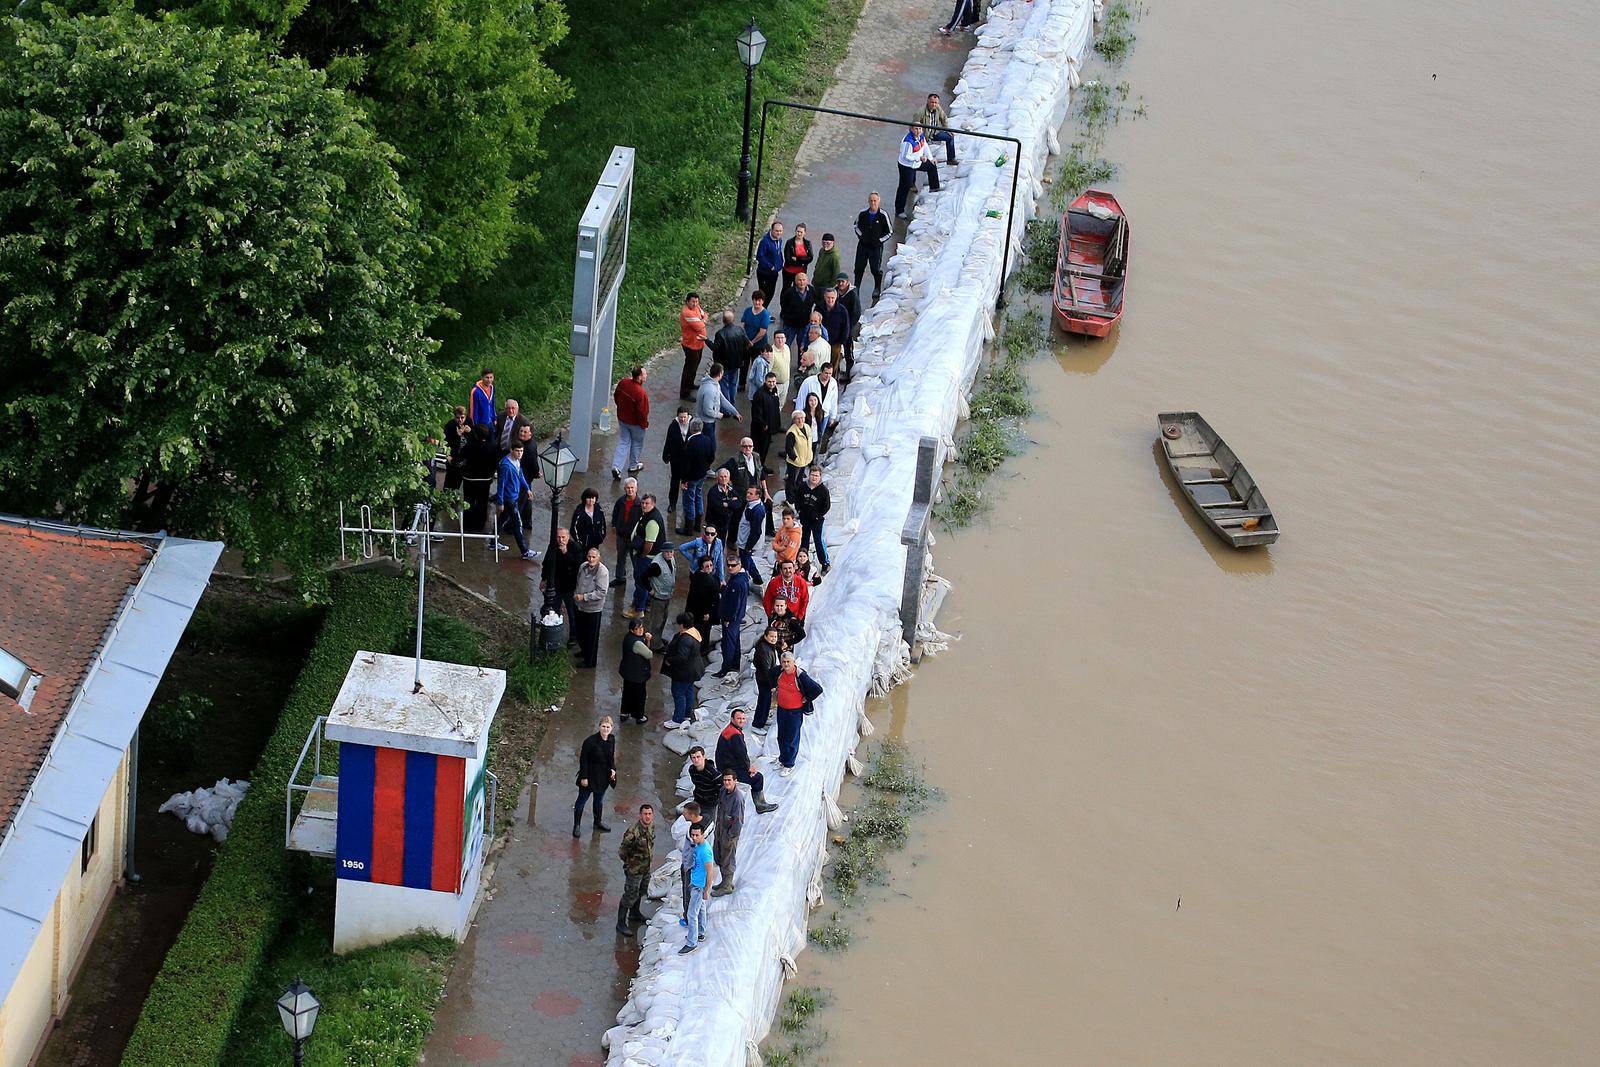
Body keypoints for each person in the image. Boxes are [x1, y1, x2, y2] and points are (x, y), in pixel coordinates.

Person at [716, 708, 778, 813]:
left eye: (743, 718)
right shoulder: (735, 734)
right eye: (738, 718)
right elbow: (741, 755)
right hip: (729, 768)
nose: (741, 721)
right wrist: (749, 769)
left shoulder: (730, 729)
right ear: (732, 719)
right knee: (757, 778)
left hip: (724, 765)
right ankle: (761, 805)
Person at [774, 653, 824, 777]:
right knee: (781, 736)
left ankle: (789, 764)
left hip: (794, 712)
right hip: (782, 710)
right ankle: (782, 759)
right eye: (784, 661)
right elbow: (769, 676)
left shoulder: (800, 675)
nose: (786, 664)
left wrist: (806, 698)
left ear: (794, 662)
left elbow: (817, 689)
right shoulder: (780, 672)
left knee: (792, 737)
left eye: (788, 662)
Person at [616, 803, 656, 936]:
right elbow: (622, 851)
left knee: (642, 890)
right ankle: (621, 923)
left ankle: (634, 913)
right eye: (645, 814)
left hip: (645, 868)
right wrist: (630, 864)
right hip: (634, 870)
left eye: (649, 814)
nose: (647, 817)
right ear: (640, 815)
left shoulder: (650, 827)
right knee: (630, 895)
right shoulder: (633, 832)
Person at [573, 716, 617, 836]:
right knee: (581, 801)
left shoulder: (612, 739)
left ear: (612, 728)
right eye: (603, 726)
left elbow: (611, 757)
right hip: (589, 776)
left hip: (603, 778)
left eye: (608, 727)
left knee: (599, 801)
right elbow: (583, 760)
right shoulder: (590, 742)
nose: (605, 729)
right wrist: (583, 777)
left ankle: (597, 822)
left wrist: (613, 769)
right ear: (599, 727)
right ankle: (576, 825)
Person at [662, 612, 707, 729]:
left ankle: (678, 719)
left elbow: (682, 657)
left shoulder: (685, 639)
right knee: (688, 691)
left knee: (679, 693)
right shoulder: (695, 633)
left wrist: (669, 660)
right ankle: (687, 714)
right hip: (693, 669)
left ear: (682, 625)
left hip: (684, 672)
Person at [496, 444, 538, 560]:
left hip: (514, 496)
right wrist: (500, 502)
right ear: (511, 450)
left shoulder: (517, 461)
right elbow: (501, 485)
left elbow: (521, 475)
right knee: (517, 524)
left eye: (521, 451)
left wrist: (527, 488)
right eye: (517, 451)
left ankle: (492, 542)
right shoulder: (506, 466)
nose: (520, 453)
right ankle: (524, 550)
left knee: (502, 519)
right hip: (509, 499)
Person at [626, 494, 666, 616]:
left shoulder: (652, 521)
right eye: (643, 503)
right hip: (648, 556)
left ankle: (638, 610)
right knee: (646, 582)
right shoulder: (648, 515)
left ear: (653, 504)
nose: (644, 505)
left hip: (647, 557)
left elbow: (649, 544)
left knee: (641, 582)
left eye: (647, 503)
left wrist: (642, 555)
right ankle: (646, 604)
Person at [680, 823, 715, 954]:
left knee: (691, 914)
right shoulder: (698, 846)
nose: (694, 838)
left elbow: (710, 871)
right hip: (695, 883)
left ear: (703, 835)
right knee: (700, 908)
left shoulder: (705, 850)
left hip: (699, 887)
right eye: (693, 835)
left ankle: (692, 942)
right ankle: (701, 932)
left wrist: (706, 890)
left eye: (697, 835)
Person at [676, 418, 715, 534]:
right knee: (698, 497)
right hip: (702, 474)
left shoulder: (690, 443)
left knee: (689, 501)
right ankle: (698, 525)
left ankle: (688, 528)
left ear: (691, 428)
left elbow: (686, 464)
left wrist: (684, 480)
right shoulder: (707, 440)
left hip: (691, 477)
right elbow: (711, 457)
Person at [715, 555, 751, 678]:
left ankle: (725, 668)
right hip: (735, 618)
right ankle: (735, 664)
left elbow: (735, 604)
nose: (730, 568)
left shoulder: (737, 582)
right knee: (735, 642)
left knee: (728, 644)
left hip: (731, 619)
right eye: (728, 565)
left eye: (733, 565)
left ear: (739, 565)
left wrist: (728, 619)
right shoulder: (740, 578)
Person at [572, 548, 609, 668]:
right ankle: (584, 651)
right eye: (589, 557)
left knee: (591, 636)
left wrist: (585, 597)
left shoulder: (602, 572)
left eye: (594, 557)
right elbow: (578, 582)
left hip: (594, 609)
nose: (591, 559)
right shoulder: (583, 566)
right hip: (581, 606)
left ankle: (590, 661)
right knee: (581, 632)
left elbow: (601, 592)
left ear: (598, 558)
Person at [794, 465, 832, 580]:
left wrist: (818, 515)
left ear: (820, 477)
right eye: (812, 475)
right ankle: (802, 563)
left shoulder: (823, 490)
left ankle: (825, 563)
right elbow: (797, 499)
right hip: (804, 519)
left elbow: (827, 506)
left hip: (817, 521)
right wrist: (799, 510)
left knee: (818, 541)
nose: (814, 478)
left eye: (816, 476)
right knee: (803, 541)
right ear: (809, 475)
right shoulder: (803, 487)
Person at [895, 123, 941, 219]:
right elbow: (906, 156)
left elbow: (925, 146)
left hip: (918, 162)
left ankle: (934, 189)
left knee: (931, 166)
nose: (919, 131)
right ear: (911, 129)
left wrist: (930, 158)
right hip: (907, 166)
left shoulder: (921, 136)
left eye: (920, 128)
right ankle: (899, 210)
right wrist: (919, 158)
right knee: (904, 187)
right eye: (916, 129)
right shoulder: (908, 142)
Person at [612, 365, 650, 480]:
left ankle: (616, 466)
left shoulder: (623, 383)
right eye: (644, 374)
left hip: (622, 419)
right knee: (637, 443)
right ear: (639, 377)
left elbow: (616, 396)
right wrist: (644, 424)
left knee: (623, 442)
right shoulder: (641, 393)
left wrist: (621, 408)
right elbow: (642, 413)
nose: (646, 375)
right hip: (636, 424)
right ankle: (633, 465)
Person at [711, 769, 744, 897]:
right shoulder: (723, 792)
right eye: (725, 780)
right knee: (719, 854)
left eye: (729, 780)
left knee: (728, 858)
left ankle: (727, 886)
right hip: (720, 828)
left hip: (730, 833)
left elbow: (738, 820)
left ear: (735, 781)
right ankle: (724, 882)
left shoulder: (738, 798)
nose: (727, 782)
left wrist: (731, 836)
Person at [854, 192, 893, 297]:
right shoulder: (863, 214)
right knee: (859, 267)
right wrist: (861, 236)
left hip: (876, 248)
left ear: (879, 201)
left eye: (875, 200)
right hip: (863, 246)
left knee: (875, 268)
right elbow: (856, 226)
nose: (873, 203)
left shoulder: (883, 215)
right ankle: (856, 288)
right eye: (871, 200)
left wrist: (879, 241)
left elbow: (890, 231)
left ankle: (877, 287)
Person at [462, 424, 499, 533]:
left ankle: (468, 525)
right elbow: (495, 464)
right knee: (482, 502)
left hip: (469, 479)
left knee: (468, 501)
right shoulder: (492, 447)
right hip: (485, 479)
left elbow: (461, 458)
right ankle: (480, 525)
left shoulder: (469, 446)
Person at [541, 527, 583, 620]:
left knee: (572, 614)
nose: (561, 540)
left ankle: (573, 634)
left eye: (563, 537)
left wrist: (565, 553)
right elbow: (547, 563)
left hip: (570, 586)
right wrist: (544, 578)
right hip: (555, 584)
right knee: (553, 610)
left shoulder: (575, 547)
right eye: (558, 537)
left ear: (568, 537)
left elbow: (577, 566)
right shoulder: (553, 546)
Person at [676, 802, 709, 923]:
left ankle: (688, 918)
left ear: (691, 815)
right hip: (702, 865)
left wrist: (686, 866)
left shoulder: (692, 832)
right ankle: (700, 921)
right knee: (698, 895)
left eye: (684, 813)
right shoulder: (708, 819)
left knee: (688, 892)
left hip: (691, 867)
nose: (682, 815)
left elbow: (691, 852)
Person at [618, 616, 654, 724]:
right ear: (632, 630)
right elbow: (649, 654)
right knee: (639, 695)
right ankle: (638, 715)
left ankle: (624, 713)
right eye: (638, 628)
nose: (641, 630)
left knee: (627, 692)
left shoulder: (628, 637)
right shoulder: (637, 643)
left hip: (627, 672)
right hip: (638, 674)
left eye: (642, 628)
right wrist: (648, 640)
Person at [709, 311, 749, 406]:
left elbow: (715, 348)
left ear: (723, 321)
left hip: (724, 365)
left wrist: (706, 340)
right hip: (736, 363)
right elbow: (747, 343)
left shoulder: (720, 334)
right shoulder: (740, 330)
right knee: (733, 384)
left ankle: (726, 407)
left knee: (724, 386)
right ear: (733, 320)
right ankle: (732, 403)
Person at [640, 544, 678, 640]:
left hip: (667, 595)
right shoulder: (656, 565)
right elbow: (643, 577)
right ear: (662, 552)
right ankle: (654, 644)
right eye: (667, 552)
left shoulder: (671, 559)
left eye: (671, 552)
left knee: (663, 619)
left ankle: (658, 639)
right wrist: (650, 590)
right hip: (658, 597)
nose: (669, 554)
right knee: (656, 622)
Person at [738, 292, 773, 397]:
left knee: (757, 365)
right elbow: (743, 325)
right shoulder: (748, 311)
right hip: (746, 343)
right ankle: (742, 383)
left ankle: (756, 386)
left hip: (758, 345)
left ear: (763, 301)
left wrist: (752, 342)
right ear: (752, 300)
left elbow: (762, 332)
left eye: (760, 300)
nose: (757, 302)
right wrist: (745, 339)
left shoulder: (765, 314)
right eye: (755, 300)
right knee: (744, 363)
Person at [686, 555, 721, 657]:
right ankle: (701, 649)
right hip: (702, 612)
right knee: (703, 631)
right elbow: (703, 598)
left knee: (702, 630)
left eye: (711, 565)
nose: (710, 567)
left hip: (697, 610)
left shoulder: (697, 575)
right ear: (702, 567)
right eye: (707, 566)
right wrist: (706, 612)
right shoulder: (704, 579)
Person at [661, 407, 693, 514]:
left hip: (689, 461)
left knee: (688, 483)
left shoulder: (693, 425)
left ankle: (687, 505)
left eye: (685, 417)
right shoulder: (673, 426)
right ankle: (672, 503)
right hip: (676, 460)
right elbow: (668, 441)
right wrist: (666, 455)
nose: (683, 419)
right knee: (674, 482)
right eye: (681, 417)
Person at [611, 477, 642, 589]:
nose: (630, 490)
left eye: (632, 488)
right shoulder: (620, 501)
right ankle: (620, 578)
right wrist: (614, 525)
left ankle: (639, 582)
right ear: (624, 488)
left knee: (636, 561)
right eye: (628, 488)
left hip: (634, 538)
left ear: (636, 488)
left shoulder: (640, 504)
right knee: (620, 558)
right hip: (621, 536)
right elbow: (615, 514)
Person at [751, 626, 783, 734]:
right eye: (771, 636)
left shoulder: (768, 646)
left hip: (765, 678)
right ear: (765, 636)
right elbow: (766, 669)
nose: (774, 638)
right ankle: (757, 724)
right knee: (763, 702)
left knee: (766, 700)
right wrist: (773, 684)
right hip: (764, 680)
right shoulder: (764, 649)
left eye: (775, 636)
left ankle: (762, 720)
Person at [734, 484, 766, 585]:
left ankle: (744, 585)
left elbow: (756, 532)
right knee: (747, 559)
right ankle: (757, 579)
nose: (747, 495)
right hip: (744, 540)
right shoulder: (751, 504)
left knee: (745, 565)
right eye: (747, 492)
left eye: (751, 494)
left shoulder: (757, 511)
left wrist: (748, 546)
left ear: (757, 496)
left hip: (747, 542)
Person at [795, 363, 840, 438]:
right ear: (821, 371)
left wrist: (832, 416)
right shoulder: (809, 382)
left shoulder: (833, 383)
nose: (828, 376)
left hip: (824, 414)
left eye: (830, 374)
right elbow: (801, 398)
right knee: (807, 435)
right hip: (810, 415)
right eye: (826, 373)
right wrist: (799, 414)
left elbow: (834, 400)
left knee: (820, 435)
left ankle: (816, 449)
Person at [831, 274, 862, 380]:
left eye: (843, 282)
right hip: (836, 327)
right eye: (839, 281)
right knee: (834, 351)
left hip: (847, 328)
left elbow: (856, 312)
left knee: (848, 351)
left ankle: (848, 374)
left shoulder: (852, 295)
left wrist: (849, 326)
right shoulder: (835, 292)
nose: (840, 284)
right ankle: (833, 373)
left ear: (847, 282)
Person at [750, 372, 784, 468]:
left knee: (765, 449)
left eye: (773, 381)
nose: (772, 384)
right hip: (760, 429)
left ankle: (761, 466)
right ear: (765, 381)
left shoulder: (774, 391)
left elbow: (775, 409)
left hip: (769, 428)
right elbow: (756, 413)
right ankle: (757, 468)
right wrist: (764, 424)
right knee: (758, 449)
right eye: (769, 382)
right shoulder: (759, 394)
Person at [679, 293, 709, 400]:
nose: (695, 304)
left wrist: (703, 319)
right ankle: (684, 393)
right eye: (693, 301)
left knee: (694, 366)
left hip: (698, 344)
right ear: (687, 301)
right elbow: (699, 326)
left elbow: (704, 314)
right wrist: (703, 321)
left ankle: (690, 384)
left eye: (697, 301)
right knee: (689, 368)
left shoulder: (696, 307)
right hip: (691, 345)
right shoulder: (686, 312)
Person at [783, 409, 815, 500]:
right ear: (794, 420)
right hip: (795, 462)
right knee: (792, 481)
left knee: (799, 480)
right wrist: (795, 459)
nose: (800, 420)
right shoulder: (792, 432)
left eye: (802, 418)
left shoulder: (807, 427)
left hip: (804, 460)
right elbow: (789, 448)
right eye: (798, 419)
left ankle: (797, 495)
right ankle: (790, 498)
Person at [780, 270, 817, 346]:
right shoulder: (789, 292)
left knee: (802, 347)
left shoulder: (812, 290)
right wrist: (786, 317)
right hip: (790, 325)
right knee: (786, 345)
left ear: (807, 281)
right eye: (799, 280)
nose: (802, 282)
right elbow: (783, 305)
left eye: (804, 280)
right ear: (796, 281)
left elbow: (817, 302)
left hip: (804, 324)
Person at [705, 470, 740, 548]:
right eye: (721, 477)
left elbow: (738, 503)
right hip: (714, 523)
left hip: (725, 523)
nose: (723, 479)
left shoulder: (731, 489)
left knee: (721, 545)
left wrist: (727, 504)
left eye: (725, 476)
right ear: (717, 478)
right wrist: (731, 504)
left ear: (728, 478)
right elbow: (718, 508)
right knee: (713, 545)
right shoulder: (713, 491)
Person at [817, 288, 851, 370]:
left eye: (832, 298)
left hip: (836, 343)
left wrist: (841, 342)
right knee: (822, 363)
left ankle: (833, 380)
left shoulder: (842, 310)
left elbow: (846, 327)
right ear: (824, 297)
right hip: (822, 342)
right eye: (828, 297)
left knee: (834, 364)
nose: (830, 300)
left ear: (836, 298)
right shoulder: (819, 308)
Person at [687, 746, 722, 825]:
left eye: (698, 757)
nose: (696, 760)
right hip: (698, 799)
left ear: (704, 757)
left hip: (710, 803)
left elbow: (721, 788)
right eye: (693, 757)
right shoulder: (692, 770)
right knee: (694, 822)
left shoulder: (713, 773)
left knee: (708, 824)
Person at [920, 91, 958, 163]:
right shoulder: (920, 112)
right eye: (932, 102)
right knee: (920, 152)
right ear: (928, 101)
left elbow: (943, 118)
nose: (934, 104)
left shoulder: (938, 108)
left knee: (950, 137)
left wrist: (947, 130)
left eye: (936, 103)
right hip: (924, 135)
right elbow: (914, 125)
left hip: (935, 133)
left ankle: (951, 159)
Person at [571, 486, 608, 555]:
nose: (591, 500)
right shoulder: (579, 511)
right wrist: (579, 541)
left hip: (596, 541)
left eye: (593, 498)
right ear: (584, 498)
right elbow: (573, 527)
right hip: (584, 543)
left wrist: (601, 536)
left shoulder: (598, 509)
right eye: (588, 498)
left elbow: (603, 524)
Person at [441, 406, 469, 492]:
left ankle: (454, 497)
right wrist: (447, 455)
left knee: (458, 481)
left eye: (462, 417)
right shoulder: (450, 426)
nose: (460, 420)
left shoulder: (468, 423)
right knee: (449, 479)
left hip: (463, 458)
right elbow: (445, 442)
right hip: (452, 456)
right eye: (458, 418)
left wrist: (470, 432)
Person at [754, 221, 784, 303]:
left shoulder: (779, 240)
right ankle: (762, 310)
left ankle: (764, 309)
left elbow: (778, 252)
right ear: (772, 230)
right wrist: (770, 266)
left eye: (780, 231)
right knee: (763, 294)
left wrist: (780, 263)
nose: (779, 233)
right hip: (764, 272)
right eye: (777, 231)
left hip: (774, 272)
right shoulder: (765, 241)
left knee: (771, 292)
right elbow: (760, 256)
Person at [781, 222, 813, 292]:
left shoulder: (807, 243)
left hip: (801, 273)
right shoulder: (789, 242)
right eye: (798, 231)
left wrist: (797, 259)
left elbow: (810, 258)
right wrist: (802, 262)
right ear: (795, 231)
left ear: (804, 233)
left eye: (801, 232)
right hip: (788, 272)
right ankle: (784, 303)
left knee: (798, 291)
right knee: (786, 289)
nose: (799, 234)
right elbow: (788, 260)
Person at [767, 330, 792, 404]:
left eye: (782, 338)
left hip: (786, 383)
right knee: (772, 405)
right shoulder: (771, 353)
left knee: (781, 404)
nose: (780, 340)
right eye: (778, 338)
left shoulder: (787, 348)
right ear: (774, 339)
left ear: (785, 339)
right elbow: (768, 371)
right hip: (775, 385)